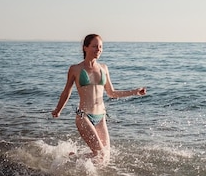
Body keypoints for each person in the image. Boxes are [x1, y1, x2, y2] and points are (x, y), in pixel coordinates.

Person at [52, 34, 146, 163]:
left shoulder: (104, 68)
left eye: (100, 47)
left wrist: (135, 92)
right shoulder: (76, 69)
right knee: (100, 155)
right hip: (84, 116)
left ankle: (72, 159)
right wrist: (58, 109)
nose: (98, 49)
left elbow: (111, 93)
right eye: (94, 46)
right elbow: (67, 91)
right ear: (85, 47)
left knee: (105, 157)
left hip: (100, 117)